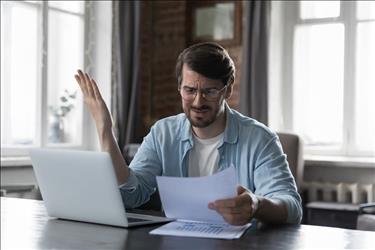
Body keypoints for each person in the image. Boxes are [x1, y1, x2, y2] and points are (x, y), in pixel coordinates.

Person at [74, 42, 302, 226]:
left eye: (210, 91)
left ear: (228, 89)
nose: (198, 101)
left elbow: (291, 206)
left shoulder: (260, 139)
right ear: (179, 87)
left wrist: (256, 204)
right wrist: (105, 130)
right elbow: (132, 195)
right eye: (190, 90)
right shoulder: (163, 133)